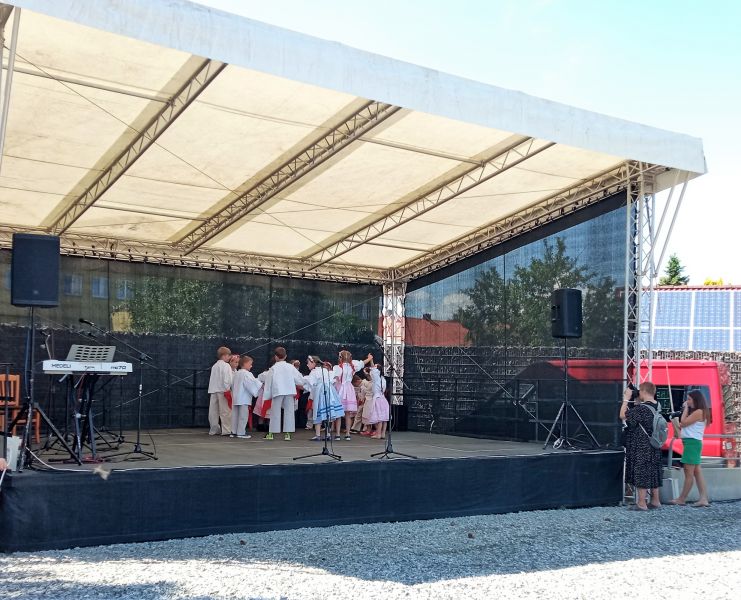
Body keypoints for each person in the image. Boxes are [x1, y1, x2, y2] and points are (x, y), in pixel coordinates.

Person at [620, 382, 663, 510]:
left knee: (641, 471)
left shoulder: (642, 409)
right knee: (653, 470)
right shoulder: (658, 405)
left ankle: (641, 503)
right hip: (654, 443)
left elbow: (622, 415)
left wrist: (626, 399)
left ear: (643, 391)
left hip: (642, 445)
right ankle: (655, 501)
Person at [670, 390, 712, 507]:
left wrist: (685, 409)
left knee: (688, 473)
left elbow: (683, 422)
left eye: (689, 399)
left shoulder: (699, 412)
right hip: (693, 443)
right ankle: (703, 498)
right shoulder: (701, 412)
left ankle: (682, 498)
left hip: (691, 444)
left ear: (695, 400)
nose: (687, 401)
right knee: (697, 472)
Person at [263, 347, 304, 441]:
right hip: (289, 391)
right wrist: (304, 383)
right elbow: (299, 379)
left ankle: (271, 433)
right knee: (289, 412)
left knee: (275, 412)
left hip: (278, 391)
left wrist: (267, 394)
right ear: (285, 356)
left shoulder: (273, 368)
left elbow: (268, 382)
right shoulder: (290, 367)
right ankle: (287, 434)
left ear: (275, 357)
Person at [333, 350, 373, 440]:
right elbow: (362, 363)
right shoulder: (353, 366)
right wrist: (369, 358)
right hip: (349, 389)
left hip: (340, 389)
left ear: (340, 358)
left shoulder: (338, 368)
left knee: (338, 413)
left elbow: (334, 378)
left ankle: (338, 434)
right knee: (347, 414)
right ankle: (347, 434)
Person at [304, 355, 344, 441]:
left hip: (321, 392)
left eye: (308, 363)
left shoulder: (314, 372)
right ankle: (328, 434)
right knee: (328, 412)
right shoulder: (324, 370)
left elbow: (310, 383)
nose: (307, 365)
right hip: (330, 391)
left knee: (318, 410)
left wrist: (303, 380)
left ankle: (318, 435)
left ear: (313, 363)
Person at [230, 355, 261, 439]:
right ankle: (241, 432)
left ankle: (234, 432)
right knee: (243, 416)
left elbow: (232, 385)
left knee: (235, 416)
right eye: (250, 364)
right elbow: (251, 385)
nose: (251, 366)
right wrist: (259, 384)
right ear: (245, 363)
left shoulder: (236, 373)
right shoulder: (247, 374)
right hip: (243, 398)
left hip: (236, 398)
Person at [207, 346, 233, 436]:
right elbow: (227, 380)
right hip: (223, 390)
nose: (229, 357)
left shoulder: (214, 366)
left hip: (213, 390)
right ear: (224, 355)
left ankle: (214, 429)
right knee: (225, 411)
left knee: (213, 412)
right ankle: (226, 430)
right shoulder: (226, 366)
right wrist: (228, 389)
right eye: (229, 355)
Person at [369, 364, 390, 439]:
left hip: (378, 398)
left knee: (379, 418)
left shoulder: (376, 377)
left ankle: (378, 434)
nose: (373, 367)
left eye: (375, 366)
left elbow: (373, 371)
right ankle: (383, 433)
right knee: (384, 418)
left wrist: (371, 361)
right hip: (383, 398)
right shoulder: (383, 379)